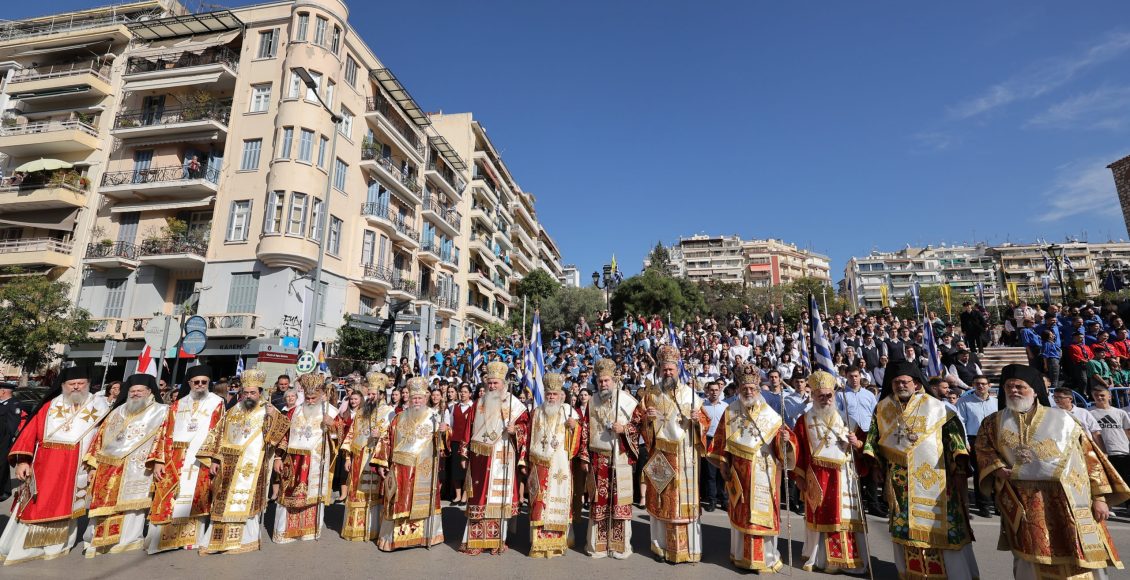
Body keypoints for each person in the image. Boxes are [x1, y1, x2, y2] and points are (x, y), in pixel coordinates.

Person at [976, 364, 1129, 579]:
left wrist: (1100, 497)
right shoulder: (993, 423)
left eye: (1020, 386)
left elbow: (1089, 459)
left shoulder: (1063, 420)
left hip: (1069, 501)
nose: (1013, 391)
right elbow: (984, 450)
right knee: (1032, 559)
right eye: (1009, 387)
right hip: (1025, 502)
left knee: (1080, 556)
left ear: (1035, 390)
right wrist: (997, 467)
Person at [862, 360, 979, 579]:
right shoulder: (883, 408)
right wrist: (876, 465)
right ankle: (913, 573)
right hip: (900, 481)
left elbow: (954, 437)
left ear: (916, 384)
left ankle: (953, 574)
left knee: (943, 527)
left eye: (904, 382)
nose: (900, 386)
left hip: (938, 479)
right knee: (905, 528)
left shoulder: (936, 407)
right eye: (895, 383)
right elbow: (874, 439)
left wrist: (959, 465)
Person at [0, 367, 111, 565]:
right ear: (63, 386)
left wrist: (96, 465)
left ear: (88, 384)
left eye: (81, 383)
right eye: (71, 384)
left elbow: (105, 438)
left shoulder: (100, 407)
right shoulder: (49, 406)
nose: (76, 387)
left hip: (77, 466)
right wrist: (23, 461)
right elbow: (29, 432)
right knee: (36, 503)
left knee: (66, 504)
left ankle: (57, 545)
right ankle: (26, 546)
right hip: (44, 465)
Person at [705, 367, 794, 572]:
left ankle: (767, 556)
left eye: (752, 388)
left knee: (762, 516)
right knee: (742, 514)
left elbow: (783, 444)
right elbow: (720, 441)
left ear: (758, 389)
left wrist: (786, 441)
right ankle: (740, 555)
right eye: (745, 388)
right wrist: (724, 465)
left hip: (765, 471)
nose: (748, 392)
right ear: (739, 388)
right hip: (739, 473)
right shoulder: (731, 410)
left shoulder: (770, 414)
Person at [198, 368, 289, 554]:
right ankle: (218, 541)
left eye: (252, 392)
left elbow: (280, 436)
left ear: (260, 393)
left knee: (246, 501)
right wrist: (215, 459)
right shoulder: (233, 411)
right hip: (228, 465)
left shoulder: (269, 410)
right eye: (245, 392)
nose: (249, 396)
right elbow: (218, 435)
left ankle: (245, 540)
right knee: (223, 502)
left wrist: (273, 419)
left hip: (253, 465)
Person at [790, 371, 868, 575]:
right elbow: (799, 450)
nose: (825, 399)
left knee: (845, 516)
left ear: (834, 395)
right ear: (813, 396)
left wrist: (857, 443)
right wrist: (798, 476)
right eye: (820, 395)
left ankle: (847, 559)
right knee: (820, 515)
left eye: (829, 395)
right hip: (816, 476)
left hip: (844, 475)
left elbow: (865, 447)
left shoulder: (847, 420)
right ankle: (820, 558)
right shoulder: (803, 420)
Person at [82, 374, 168, 557]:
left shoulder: (162, 411)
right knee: (104, 504)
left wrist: (159, 461)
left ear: (149, 391)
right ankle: (98, 540)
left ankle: (128, 539)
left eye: (140, 390)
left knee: (132, 506)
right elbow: (99, 439)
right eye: (132, 391)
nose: (136, 394)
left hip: (138, 466)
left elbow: (165, 439)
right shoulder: (117, 411)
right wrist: (93, 466)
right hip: (109, 466)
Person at [146, 365, 226, 554]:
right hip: (174, 457)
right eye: (196, 382)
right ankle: (164, 539)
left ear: (209, 383)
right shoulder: (178, 404)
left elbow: (219, 432)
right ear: (189, 383)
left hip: (200, 458)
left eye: (204, 382)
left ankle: (191, 538)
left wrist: (215, 458)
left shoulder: (217, 402)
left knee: (196, 497)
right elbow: (164, 432)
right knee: (168, 498)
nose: (200, 385)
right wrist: (158, 460)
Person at [638, 345, 705, 563]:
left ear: (678, 370)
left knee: (683, 504)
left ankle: (689, 550)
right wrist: (647, 419)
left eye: (671, 369)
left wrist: (698, 421)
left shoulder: (690, 394)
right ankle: (661, 547)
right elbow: (641, 425)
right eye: (664, 369)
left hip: (685, 454)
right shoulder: (651, 395)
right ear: (659, 370)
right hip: (661, 455)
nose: (668, 373)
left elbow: (704, 423)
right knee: (661, 503)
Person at [459, 361, 530, 555]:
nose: (492, 386)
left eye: (495, 383)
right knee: (479, 498)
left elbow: (526, 428)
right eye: (489, 383)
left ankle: (497, 540)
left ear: (503, 383)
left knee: (499, 499)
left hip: (502, 455)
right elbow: (468, 428)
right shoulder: (478, 404)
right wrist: (464, 453)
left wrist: (515, 430)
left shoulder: (514, 404)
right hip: (480, 459)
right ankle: (474, 542)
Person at [376, 377, 447, 551]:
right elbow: (387, 440)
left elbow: (442, 446)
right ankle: (393, 539)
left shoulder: (434, 417)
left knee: (421, 502)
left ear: (426, 398)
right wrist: (382, 463)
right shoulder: (399, 418)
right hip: (400, 468)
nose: (416, 401)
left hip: (424, 468)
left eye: (420, 398)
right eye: (414, 398)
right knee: (399, 501)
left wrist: (445, 432)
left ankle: (424, 537)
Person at [580, 359, 640, 559]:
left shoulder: (627, 401)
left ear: (614, 380)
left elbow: (639, 426)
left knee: (618, 502)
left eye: (606, 381)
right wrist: (585, 456)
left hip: (619, 457)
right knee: (599, 503)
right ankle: (597, 545)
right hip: (598, 459)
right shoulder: (591, 401)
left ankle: (619, 545)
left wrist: (624, 430)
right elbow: (586, 429)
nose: (603, 384)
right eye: (600, 381)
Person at [275, 373, 342, 543]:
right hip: (292, 461)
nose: (311, 401)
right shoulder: (293, 412)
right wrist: (277, 458)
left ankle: (309, 531)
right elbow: (283, 436)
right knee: (289, 496)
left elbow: (338, 440)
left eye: (314, 398)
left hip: (315, 462)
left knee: (312, 497)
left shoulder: (331, 412)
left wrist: (333, 427)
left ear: (321, 395)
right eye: (308, 398)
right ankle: (285, 532)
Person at [525, 373, 581, 558]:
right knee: (539, 502)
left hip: (560, 465)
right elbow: (529, 438)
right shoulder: (537, 412)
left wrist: (575, 428)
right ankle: (539, 543)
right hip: (539, 464)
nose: (551, 397)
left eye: (554, 394)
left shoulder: (568, 412)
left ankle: (558, 542)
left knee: (558, 500)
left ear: (560, 395)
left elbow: (577, 443)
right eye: (548, 393)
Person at [340, 373, 395, 542]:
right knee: (356, 492)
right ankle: (355, 529)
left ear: (381, 395)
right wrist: (348, 457)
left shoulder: (389, 412)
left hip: (376, 457)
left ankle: (373, 529)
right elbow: (351, 434)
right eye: (368, 394)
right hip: (358, 458)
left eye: (373, 394)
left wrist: (381, 435)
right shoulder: (362, 411)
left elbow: (392, 436)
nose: (370, 397)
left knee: (374, 493)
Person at [835, 366, 883, 516]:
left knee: (871, 468)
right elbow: (837, 414)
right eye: (850, 376)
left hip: (868, 434)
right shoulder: (841, 395)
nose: (854, 379)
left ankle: (873, 504)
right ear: (846, 377)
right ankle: (858, 504)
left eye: (856, 376)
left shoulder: (869, 395)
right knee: (855, 469)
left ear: (860, 376)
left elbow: (876, 414)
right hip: (852, 434)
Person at [955, 375, 996, 517]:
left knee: (996, 472)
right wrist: (965, 441)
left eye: (983, 384)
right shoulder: (964, 401)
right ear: (973, 385)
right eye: (977, 384)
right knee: (981, 473)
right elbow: (960, 422)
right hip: (974, 439)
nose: (980, 386)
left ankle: (997, 505)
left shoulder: (995, 402)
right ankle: (983, 505)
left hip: (993, 440)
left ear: (989, 386)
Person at [1090, 384, 1130, 517]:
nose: (1099, 397)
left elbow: (1127, 431)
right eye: (1096, 395)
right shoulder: (1090, 413)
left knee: (1126, 480)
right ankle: (1108, 505)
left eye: (1102, 395)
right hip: (1104, 453)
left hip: (1123, 450)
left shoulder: (1120, 412)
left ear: (1109, 396)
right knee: (1108, 482)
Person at [699, 380, 728, 512]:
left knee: (722, 470)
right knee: (710, 473)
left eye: (716, 390)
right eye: (711, 390)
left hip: (722, 440)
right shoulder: (702, 406)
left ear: (720, 390)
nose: (714, 392)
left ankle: (724, 499)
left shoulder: (726, 406)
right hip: (709, 439)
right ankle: (712, 499)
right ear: (707, 391)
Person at [448, 384, 473, 506]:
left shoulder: (473, 407)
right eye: (461, 392)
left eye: (465, 392)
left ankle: (465, 496)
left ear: (470, 394)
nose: (462, 394)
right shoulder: (454, 407)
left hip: (468, 442)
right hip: (455, 441)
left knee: (466, 469)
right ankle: (457, 496)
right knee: (455, 469)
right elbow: (451, 425)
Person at [0, 382, 21, 503]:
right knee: (3, 466)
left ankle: (3, 491)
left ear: (3, 392)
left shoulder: (14, 404)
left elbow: (12, 425)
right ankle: (5, 489)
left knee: (2, 465)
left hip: (4, 440)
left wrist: (6, 439)